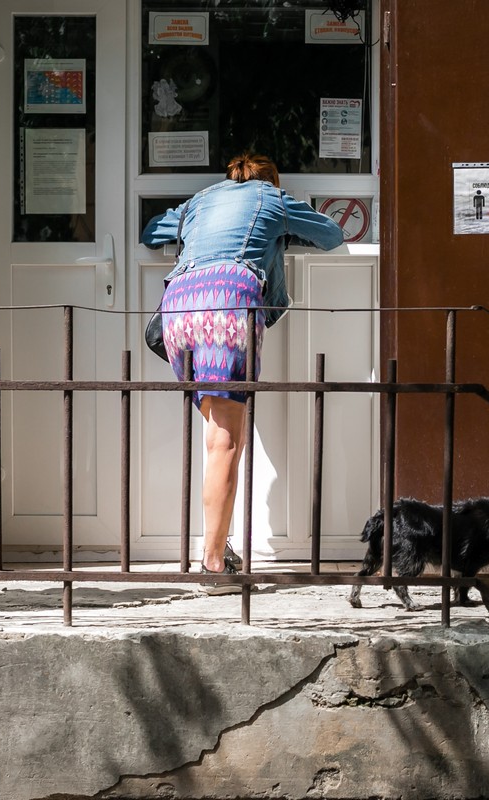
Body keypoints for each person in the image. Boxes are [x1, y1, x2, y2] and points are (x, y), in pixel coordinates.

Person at [141, 154, 343, 591]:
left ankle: (219, 547)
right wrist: (283, 231)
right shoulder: (272, 198)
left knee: (219, 438)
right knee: (226, 443)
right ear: (270, 179)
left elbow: (150, 231)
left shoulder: (200, 200)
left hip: (178, 307)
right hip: (227, 303)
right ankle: (213, 564)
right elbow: (331, 234)